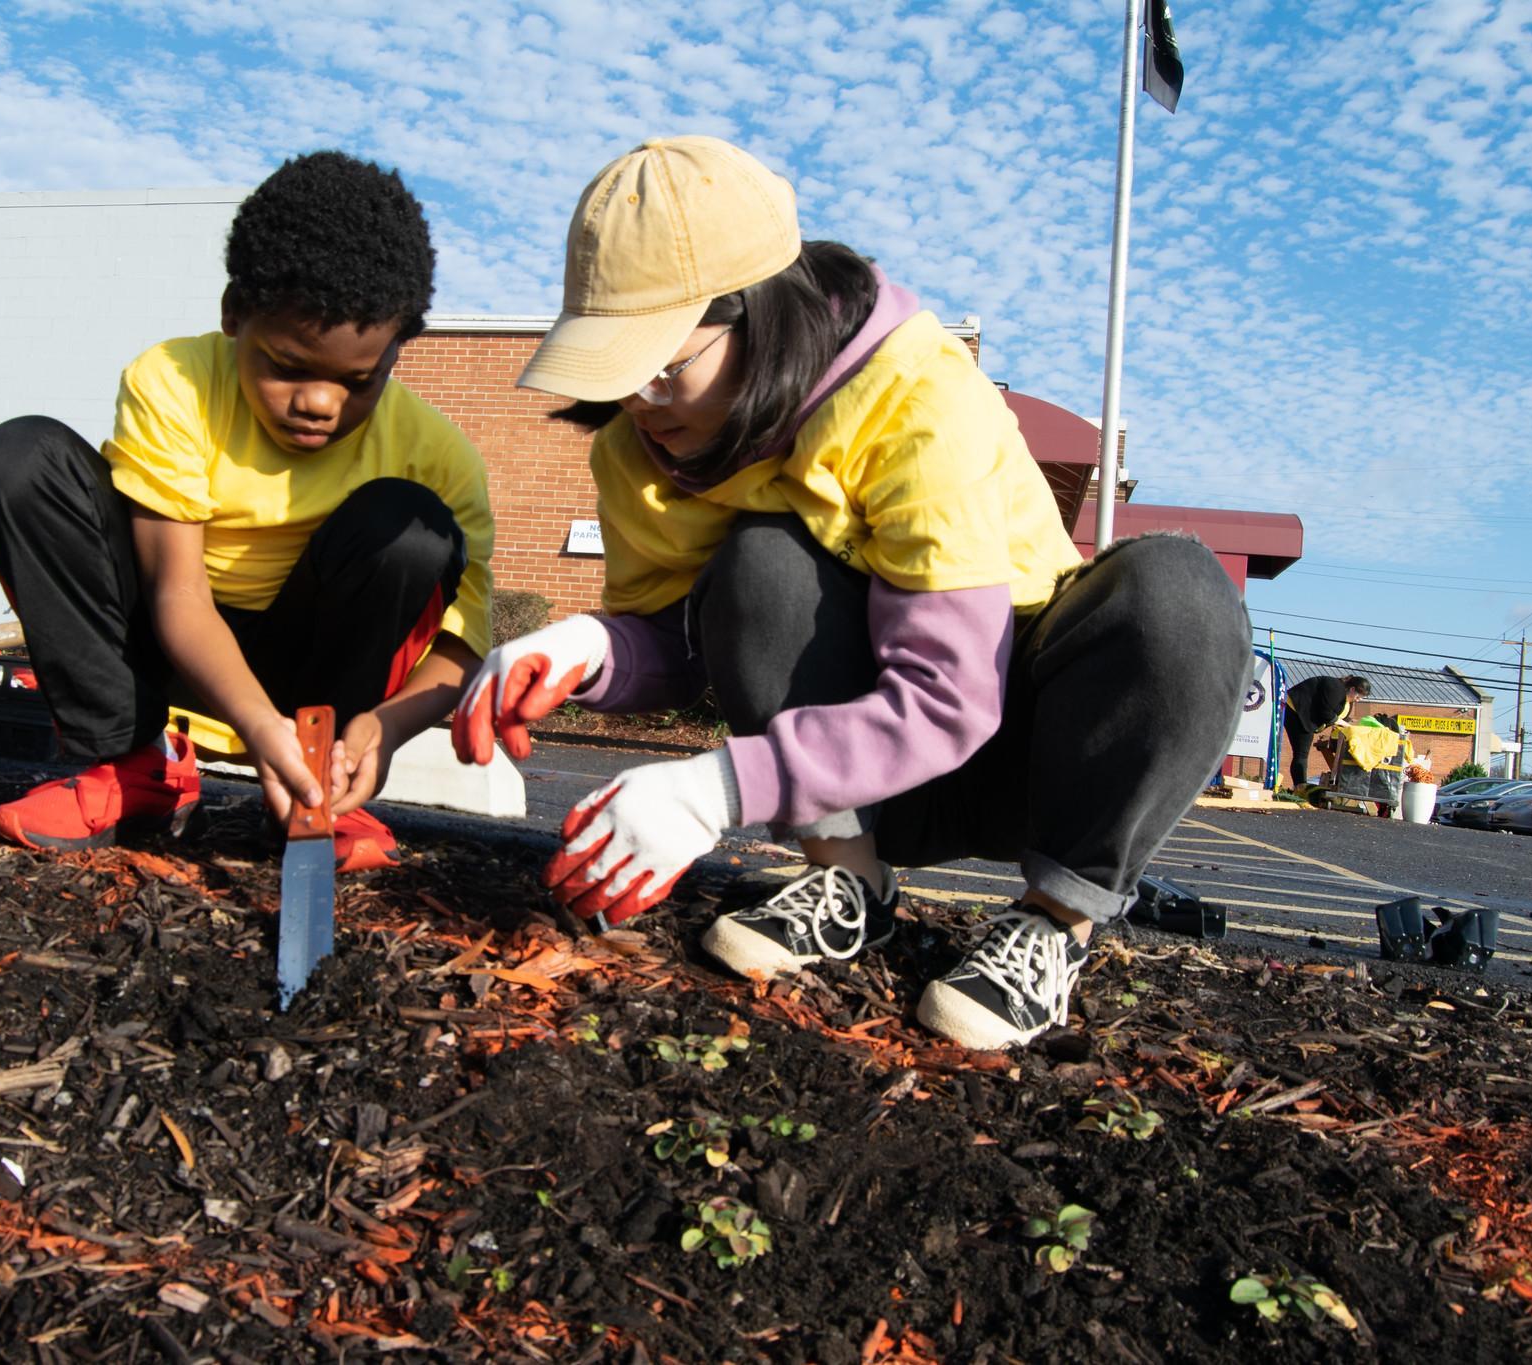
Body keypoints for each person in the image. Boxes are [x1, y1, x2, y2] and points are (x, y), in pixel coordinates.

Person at [453, 136, 1250, 1050]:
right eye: (615, 369)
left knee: (1178, 592)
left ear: (759, 312)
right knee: (762, 557)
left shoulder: (913, 394)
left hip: (1038, 753)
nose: (640, 398)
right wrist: (586, 648)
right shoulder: (636, 451)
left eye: (666, 363)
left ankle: (1052, 922)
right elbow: (683, 638)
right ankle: (849, 881)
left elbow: (953, 698)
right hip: (860, 779)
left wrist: (712, 792)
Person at [0, 151, 494, 871]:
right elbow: (176, 594)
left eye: (357, 381)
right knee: (18, 462)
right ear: (233, 314)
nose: (318, 403)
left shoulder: (437, 455)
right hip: (163, 639)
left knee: (409, 527)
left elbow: (460, 650)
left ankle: (320, 788)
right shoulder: (175, 381)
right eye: (287, 365)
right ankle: (133, 765)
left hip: (308, 675)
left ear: (398, 349)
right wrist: (251, 721)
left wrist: (384, 729)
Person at [1282, 673, 1370, 788]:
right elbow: (1326, 714)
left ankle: (1300, 785)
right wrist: (1345, 724)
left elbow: (1339, 719)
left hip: (1307, 719)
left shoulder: (1347, 702)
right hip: (1295, 710)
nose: (1358, 700)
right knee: (1301, 753)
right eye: (1358, 696)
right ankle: (1300, 786)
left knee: (1302, 754)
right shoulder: (1335, 688)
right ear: (1352, 689)